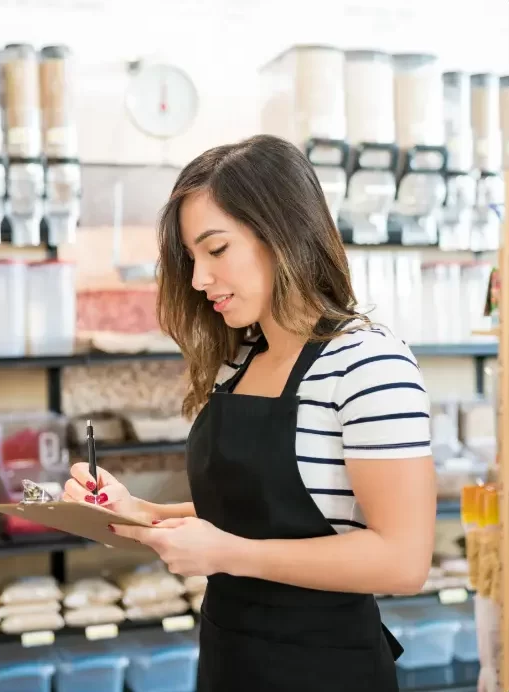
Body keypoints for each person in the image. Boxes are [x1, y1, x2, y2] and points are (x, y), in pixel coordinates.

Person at [63, 134, 436, 691]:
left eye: (217, 250)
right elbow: (253, 510)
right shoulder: (239, 359)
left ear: (283, 233)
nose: (198, 279)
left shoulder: (368, 362)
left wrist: (229, 554)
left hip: (322, 669)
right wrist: (139, 513)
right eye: (191, 258)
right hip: (230, 656)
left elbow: (403, 561)